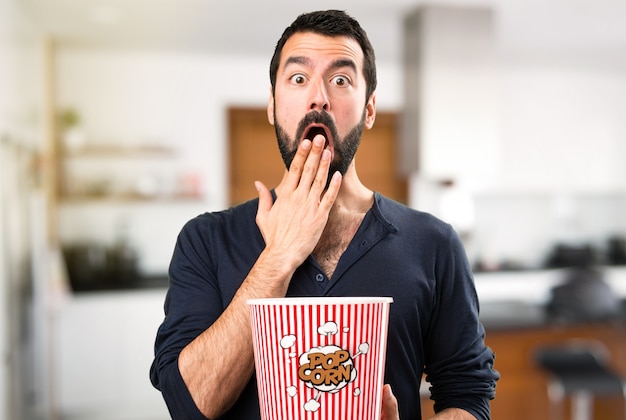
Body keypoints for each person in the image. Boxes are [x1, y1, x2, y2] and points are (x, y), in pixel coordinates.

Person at [150, 9, 498, 420]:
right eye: (298, 79)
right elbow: (189, 405)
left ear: (369, 110)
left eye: (340, 80)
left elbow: (468, 394)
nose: (319, 97)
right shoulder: (205, 240)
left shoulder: (434, 243)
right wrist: (278, 258)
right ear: (273, 106)